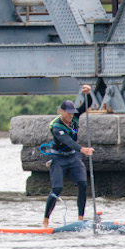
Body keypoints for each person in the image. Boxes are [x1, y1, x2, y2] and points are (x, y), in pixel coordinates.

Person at [42, 84, 95, 228]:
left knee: (83, 184)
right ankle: (46, 220)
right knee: (57, 189)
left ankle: (80, 218)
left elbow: (88, 104)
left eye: (73, 113)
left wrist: (88, 93)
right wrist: (82, 149)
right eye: (69, 113)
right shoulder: (56, 126)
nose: (71, 116)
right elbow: (68, 141)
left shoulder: (75, 117)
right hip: (58, 159)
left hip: (73, 158)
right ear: (62, 111)